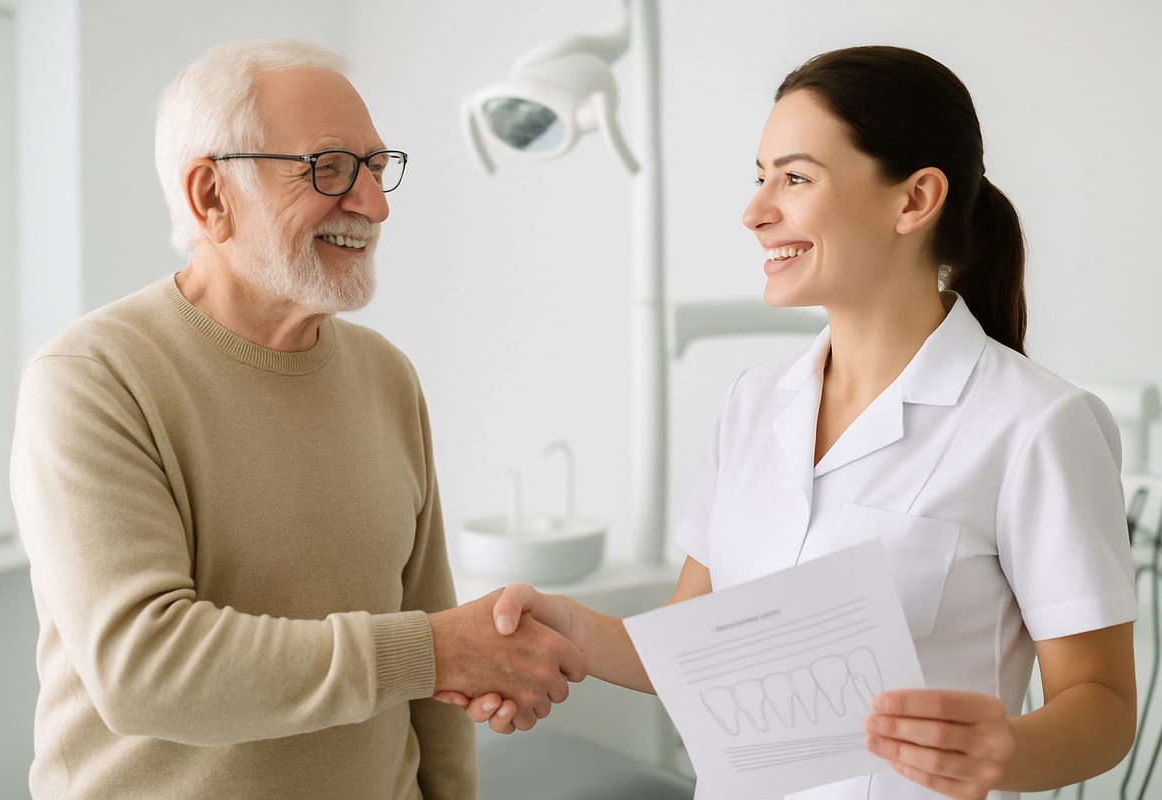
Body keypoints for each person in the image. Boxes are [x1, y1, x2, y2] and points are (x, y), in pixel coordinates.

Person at [439, 46, 1139, 800]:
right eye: (761, 176)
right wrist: (569, 630)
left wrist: (1008, 747)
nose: (755, 211)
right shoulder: (752, 403)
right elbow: (699, 647)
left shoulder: (1037, 426)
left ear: (914, 200)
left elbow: (1101, 707)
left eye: (796, 178)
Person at [9, 39, 585, 800]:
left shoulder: (387, 376)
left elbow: (430, 654)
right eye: (329, 167)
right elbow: (144, 671)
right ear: (211, 195)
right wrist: (435, 651)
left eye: (377, 167)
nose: (374, 205)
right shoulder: (91, 380)